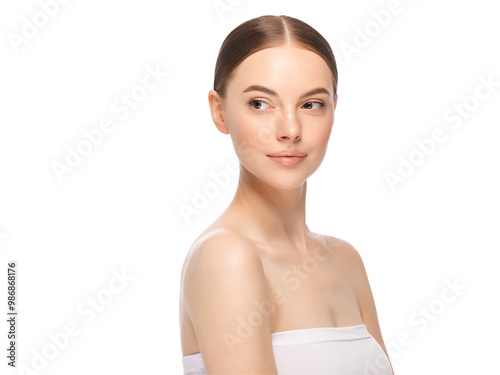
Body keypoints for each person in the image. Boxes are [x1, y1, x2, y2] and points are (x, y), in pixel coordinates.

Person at [179, 14, 394, 375]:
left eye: (312, 104)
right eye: (261, 104)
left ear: (334, 109)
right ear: (219, 111)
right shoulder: (226, 257)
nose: (291, 129)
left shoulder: (345, 259)